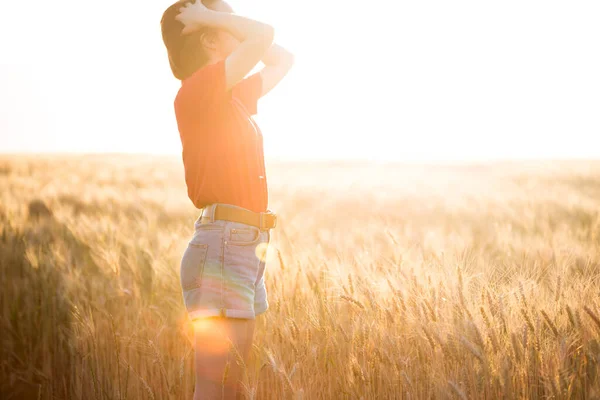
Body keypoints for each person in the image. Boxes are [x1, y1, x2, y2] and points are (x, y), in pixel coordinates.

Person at [161, 0, 293, 398]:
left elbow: (282, 59)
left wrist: (215, 18)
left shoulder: (230, 96)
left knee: (232, 384)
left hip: (244, 246)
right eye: (227, 24)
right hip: (224, 245)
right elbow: (263, 35)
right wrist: (208, 16)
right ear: (209, 38)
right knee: (215, 385)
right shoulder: (199, 92)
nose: (236, 29)